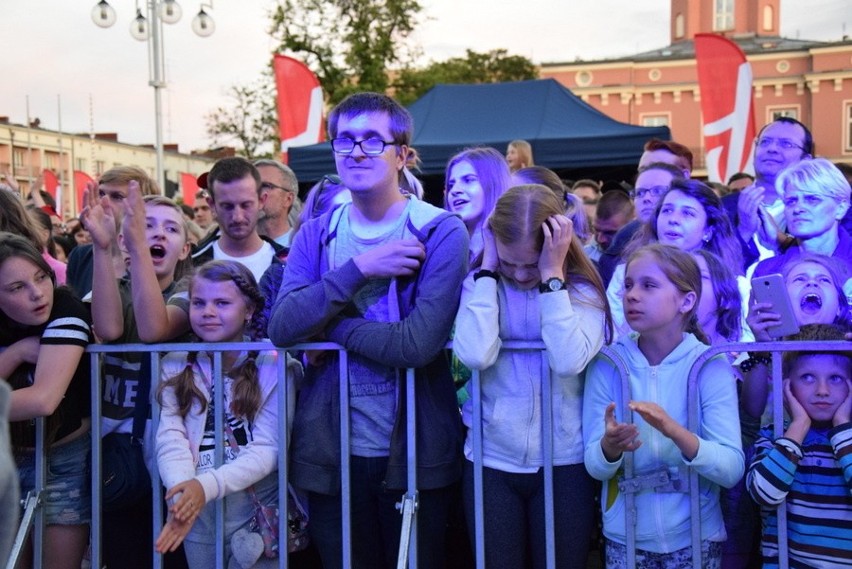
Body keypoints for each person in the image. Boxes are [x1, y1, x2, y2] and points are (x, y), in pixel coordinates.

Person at [267, 92, 468, 569]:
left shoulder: (439, 230)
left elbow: (417, 344)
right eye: (345, 140)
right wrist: (360, 267)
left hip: (413, 446)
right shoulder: (318, 232)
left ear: (402, 155)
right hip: (332, 448)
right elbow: (283, 326)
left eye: (374, 141)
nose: (357, 152)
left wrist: (330, 325)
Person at [453, 184, 611, 568]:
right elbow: (474, 353)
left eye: (532, 263)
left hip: (565, 460)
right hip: (491, 458)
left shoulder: (583, 289)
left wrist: (551, 277)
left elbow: (568, 359)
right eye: (511, 263)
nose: (522, 274)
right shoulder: (481, 284)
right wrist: (489, 271)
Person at [583, 244, 744, 568]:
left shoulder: (709, 365)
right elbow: (594, 466)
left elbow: (731, 469)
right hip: (625, 538)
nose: (631, 295)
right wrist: (609, 448)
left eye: (649, 285)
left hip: (695, 538)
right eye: (628, 284)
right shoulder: (608, 362)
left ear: (686, 301)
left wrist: (674, 431)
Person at [155, 260, 300, 568]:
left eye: (222, 303)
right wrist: (183, 497)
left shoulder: (275, 364)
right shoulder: (174, 363)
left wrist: (202, 487)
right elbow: (171, 437)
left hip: (257, 515)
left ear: (248, 311)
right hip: (198, 519)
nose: (208, 311)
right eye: (199, 302)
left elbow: (267, 450)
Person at [87, 185, 192, 568]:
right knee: (123, 553)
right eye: (147, 225)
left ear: (185, 250)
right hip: (121, 456)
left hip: (175, 456)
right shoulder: (113, 288)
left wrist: (136, 247)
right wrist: (104, 249)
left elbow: (154, 329)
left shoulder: (190, 292)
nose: (158, 233)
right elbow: (110, 329)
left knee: (174, 558)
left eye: (171, 228)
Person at [0, 232, 94, 569]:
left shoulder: (66, 306)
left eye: (41, 277)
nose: (37, 293)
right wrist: (15, 354)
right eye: (16, 288)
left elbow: (43, 399)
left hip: (61, 463)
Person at [746, 323, 852, 568]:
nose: (822, 391)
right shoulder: (775, 437)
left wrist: (843, 425)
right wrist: (798, 426)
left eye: (835, 378)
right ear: (786, 385)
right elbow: (763, 495)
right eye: (807, 377)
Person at [607, 179, 747, 339]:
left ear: (708, 229)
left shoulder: (735, 284)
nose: (673, 219)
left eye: (687, 213)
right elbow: (612, 336)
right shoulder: (625, 274)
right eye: (666, 211)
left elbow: (743, 346)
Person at [741, 253, 851, 420]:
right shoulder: (763, 350)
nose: (812, 283)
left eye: (824, 280)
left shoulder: (849, 348)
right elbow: (752, 410)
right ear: (781, 300)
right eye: (800, 279)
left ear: (838, 307)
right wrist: (762, 346)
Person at [722, 117, 814, 271]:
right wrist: (743, 232)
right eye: (764, 142)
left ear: (805, 160)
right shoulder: (720, 206)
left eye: (786, 144)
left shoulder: (821, 208)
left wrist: (781, 242)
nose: (772, 149)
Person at [750, 158, 851, 286]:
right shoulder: (767, 272)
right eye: (791, 201)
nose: (798, 208)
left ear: (840, 208)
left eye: (812, 199)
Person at [67, 166, 160, 298]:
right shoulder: (80, 256)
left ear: (142, 206)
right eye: (101, 193)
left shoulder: (156, 259)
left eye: (117, 196)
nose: (104, 201)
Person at [191, 157, 287, 283]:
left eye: (246, 205)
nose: (237, 217)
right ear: (212, 205)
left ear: (262, 201)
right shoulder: (192, 262)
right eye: (227, 206)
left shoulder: (288, 262)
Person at [598, 162, 685, 287]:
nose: (646, 198)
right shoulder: (617, 258)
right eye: (640, 193)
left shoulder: (702, 257)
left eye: (657, 191)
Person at [445, 147, 511, 263]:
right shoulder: (442, 249)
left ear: (493, 184)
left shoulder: (515, 251)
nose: (455, 190)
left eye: (468, 180)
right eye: (451, 184)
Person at [255, 159, 300, 249]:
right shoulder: (229, 247)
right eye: (252, 185)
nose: (255, 192)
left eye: (266, 186)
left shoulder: (303, 247)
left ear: (288, 199)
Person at [585, 189, 634, 263]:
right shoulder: (584, 257)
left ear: (631, 225)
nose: (600, 239)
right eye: (596, 230)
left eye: (610, 233)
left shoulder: (647, 257)